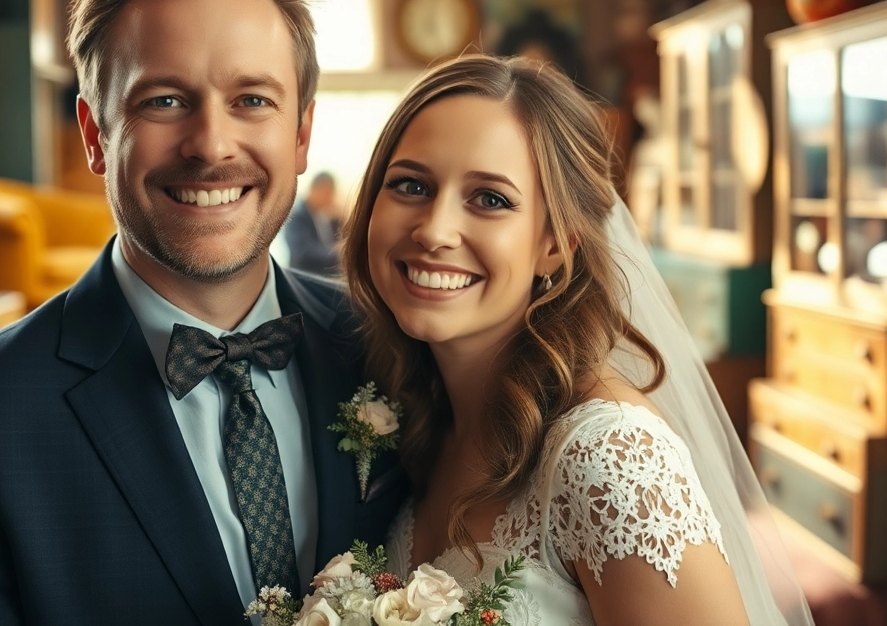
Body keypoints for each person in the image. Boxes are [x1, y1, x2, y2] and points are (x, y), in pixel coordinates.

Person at [0, 0, 406, 625]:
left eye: (252, 100)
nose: (211, 145)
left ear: (302, 133)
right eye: (164, 100)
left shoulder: (398, 348)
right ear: (95, 134)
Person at [341, 55, 813, 625]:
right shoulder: (418, 413)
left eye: (490, 199)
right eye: (410, 185)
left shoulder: (611, 459)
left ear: (556, 246)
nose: (435, 230)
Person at [284, 171, 342, 275]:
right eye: (327, 193)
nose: (331, 198)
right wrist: (337, 252)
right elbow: (303, 253)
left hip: (325, 275)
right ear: (315, 189)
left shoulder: (325, 215)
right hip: (304, 277)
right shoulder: (297, 216)